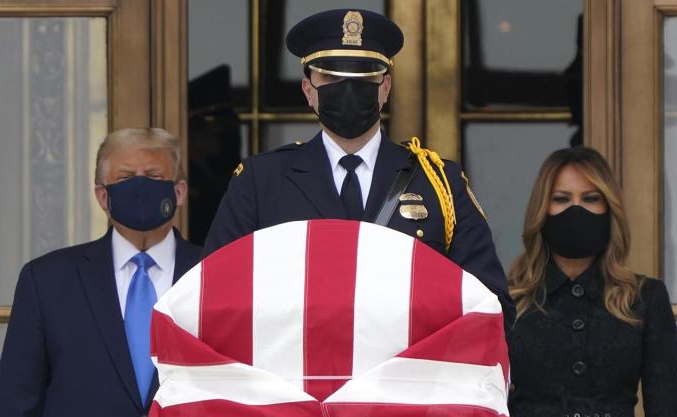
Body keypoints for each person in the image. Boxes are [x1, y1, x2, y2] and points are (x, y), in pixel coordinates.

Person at [202, 8, 513, 319]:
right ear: (308, 90)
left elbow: (490, 305)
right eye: (331, 77)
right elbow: (213, 297)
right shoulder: (260, 182)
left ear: (386, 87)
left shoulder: (439, 183)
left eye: (364, 75)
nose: (348, 87)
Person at [0, 128, 202, 417]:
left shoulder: (216, 274)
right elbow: (17, 413)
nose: (140, 186)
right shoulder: (47, 280)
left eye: (153, 176)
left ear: (179, 191)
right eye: (125, 178)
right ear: (102, 196)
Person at [506, 147, 677, 417]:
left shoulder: (645, 298)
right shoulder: (509, 300)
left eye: (591, 199)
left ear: (610, 209)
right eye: (561, 199)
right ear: (541, 210)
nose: (577, 209)